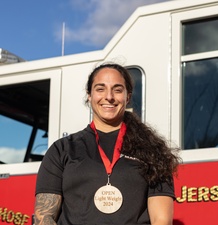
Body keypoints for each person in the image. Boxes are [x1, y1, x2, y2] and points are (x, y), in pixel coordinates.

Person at [34, 62, 181, 225]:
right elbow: (44, 217)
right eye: (100, 89)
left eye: (117, 90)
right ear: (89, 95)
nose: (109, 96)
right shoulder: (62, 149)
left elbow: (161, 220)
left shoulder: (153, 152)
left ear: (128, 97)